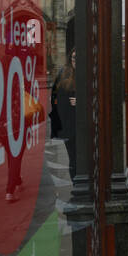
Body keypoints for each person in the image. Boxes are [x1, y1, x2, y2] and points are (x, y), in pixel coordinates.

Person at [52, 49, 78, 180]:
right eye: (74, 58)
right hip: (69, 125)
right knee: (73, 158)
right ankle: (76, 184)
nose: (75, 61)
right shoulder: (64, 75)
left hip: (84, 125)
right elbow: (58, 102)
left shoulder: (88, 74)